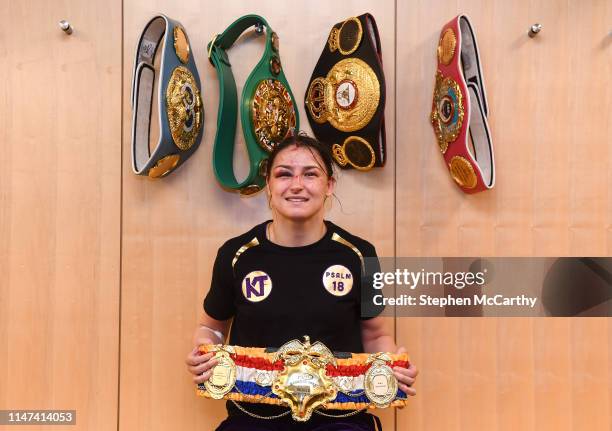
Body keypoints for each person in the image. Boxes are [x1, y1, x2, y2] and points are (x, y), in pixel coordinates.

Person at [185, 134, 418, 430]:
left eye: (310, 174)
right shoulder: (236, 255)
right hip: (254, 418)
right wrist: (204, 349)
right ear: (268, 184)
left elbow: (375, 335)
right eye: (284, 174)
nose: (297, 185)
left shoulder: (359, 255)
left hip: (339, 420)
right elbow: (211, 327)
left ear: (329, 185)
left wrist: (392, 365)